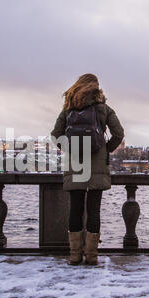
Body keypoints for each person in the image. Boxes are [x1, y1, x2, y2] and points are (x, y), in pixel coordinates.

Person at [51, 74, 124, 266]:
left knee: (75, 210)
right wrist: (105, 149)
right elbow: (119, 133)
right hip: (98, 166)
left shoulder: (68, 109)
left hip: (75, 165)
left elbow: (56, 134)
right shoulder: (103, 108)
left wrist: (70, 148)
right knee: (94, 211)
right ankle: (91, 256)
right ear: (96, 88)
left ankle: (75, 255)